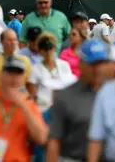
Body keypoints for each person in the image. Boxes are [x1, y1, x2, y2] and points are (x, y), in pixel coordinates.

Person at [47, 39, 111, 162]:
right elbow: (54, 141)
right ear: (81, 63)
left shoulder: (114, 94)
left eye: (101, 63)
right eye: (92, 64)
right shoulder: (64, 96)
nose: (97, 69)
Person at [27, 32, 74, 162]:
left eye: (50, 48)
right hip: (43, 113)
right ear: (40, 50)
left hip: (61, 111)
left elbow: (68, 88)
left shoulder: (64, 66)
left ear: (54, 48)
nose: (48, 52)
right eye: (44, 49)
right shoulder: (35, 69)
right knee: (42, 148)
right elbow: (32, 96)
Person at [0, 29, 31, 94]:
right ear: (2, 42)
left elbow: (30, 86)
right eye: (9, 40)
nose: (13, 42)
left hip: (20, 101)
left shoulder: (25, 61)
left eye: (15, 40)